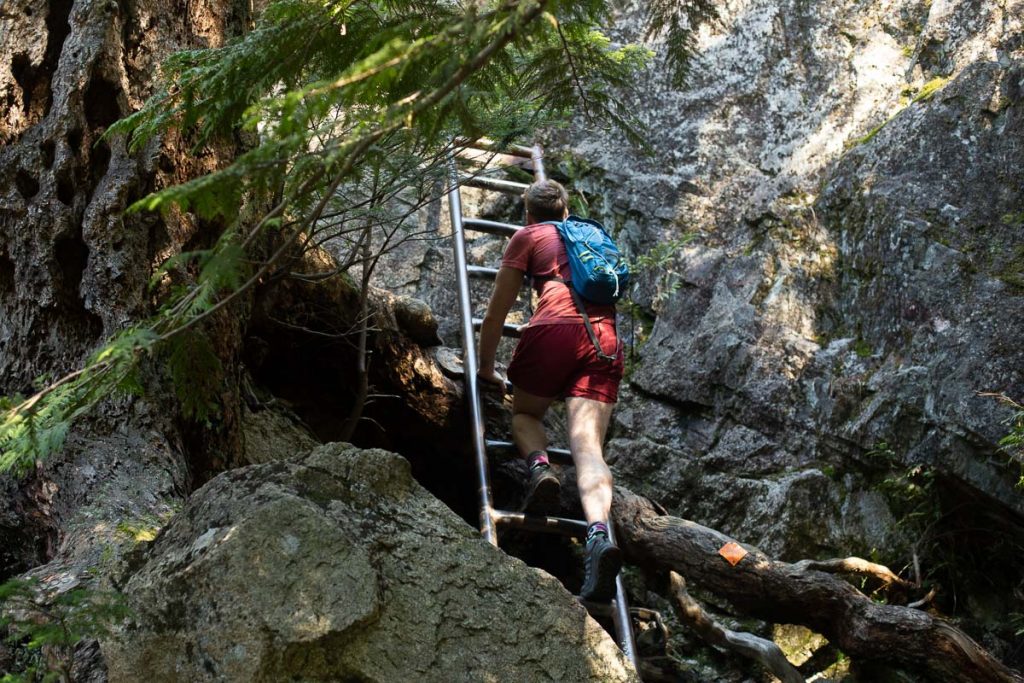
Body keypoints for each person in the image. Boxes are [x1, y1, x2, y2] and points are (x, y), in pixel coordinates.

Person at [477, 178, 625, 602]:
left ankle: (540, 467)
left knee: (525, 414)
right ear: (566, 211)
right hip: (603, 339)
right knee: (588, 448)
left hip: (553, 332)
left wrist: (486, 369)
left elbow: (496, 314)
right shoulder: (590, 236)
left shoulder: (527, 236)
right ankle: (598, 534)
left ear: (528, 214)